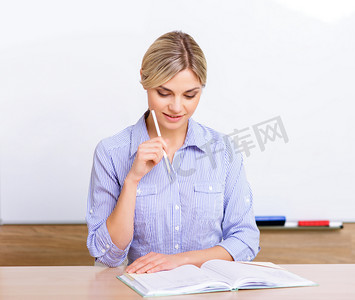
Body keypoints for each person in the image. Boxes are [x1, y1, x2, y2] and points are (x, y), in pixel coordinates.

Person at [86, 31, 260, 274]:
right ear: (144, 80)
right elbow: (107, 256)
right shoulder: (111, 153)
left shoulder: (224, 152)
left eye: (190, 95)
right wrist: (132, 180)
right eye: (164, 93)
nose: (177, 107)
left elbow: (245, 240)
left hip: (209, 291)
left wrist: (181, 260)